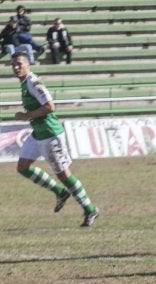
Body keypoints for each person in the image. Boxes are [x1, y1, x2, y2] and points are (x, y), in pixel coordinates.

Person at [11, 52, 99, 227]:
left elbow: (50, 106)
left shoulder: (32, 82)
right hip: (38, 134)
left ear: (28, 65)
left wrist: (26, 115)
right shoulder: (24, 83)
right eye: (13, 64)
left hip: (51, 135)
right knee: (22, 167)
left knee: (64, 174)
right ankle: (60, 192)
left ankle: (90, 209)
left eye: (19, 64)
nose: (16, 67)